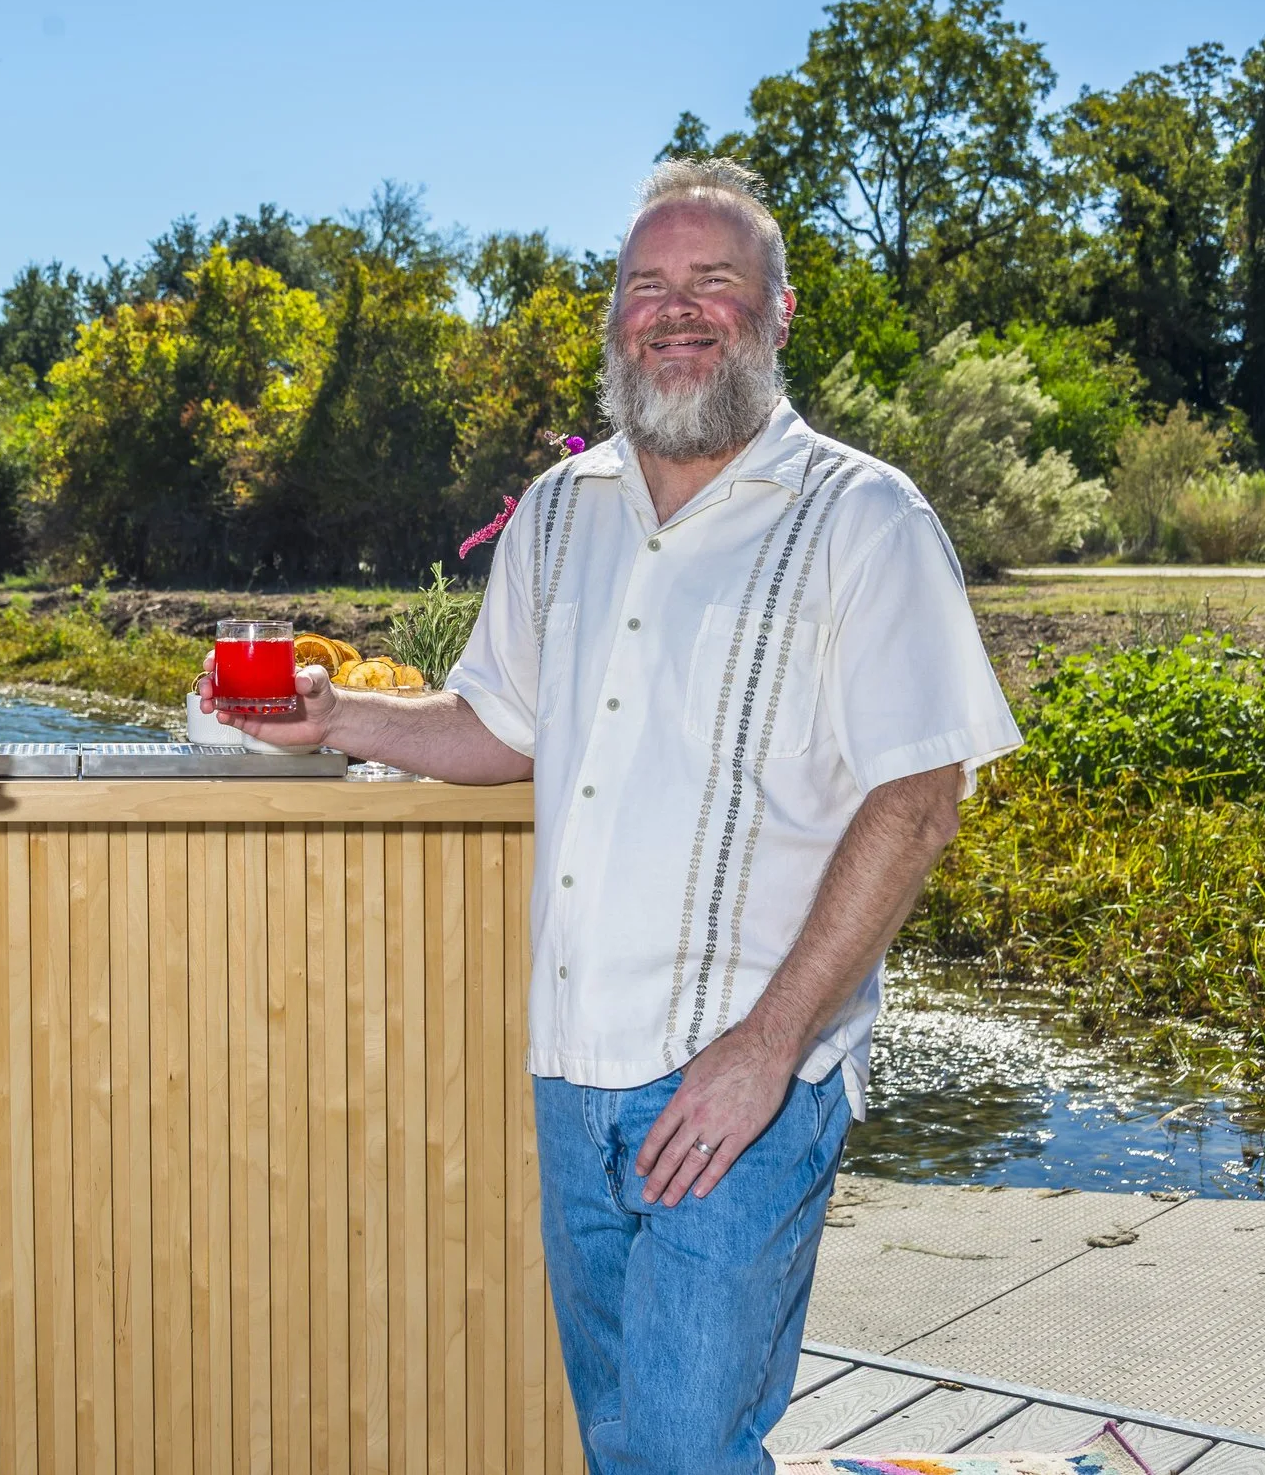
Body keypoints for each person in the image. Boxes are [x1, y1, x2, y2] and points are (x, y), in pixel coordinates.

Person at [209, 160, 1019, 1473]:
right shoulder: (558, 514)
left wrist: (765, 1049)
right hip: (571, 1070)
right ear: (615, 316)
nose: (677, 311)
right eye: (650, 285)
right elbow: (502, 728)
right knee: (629, 1442)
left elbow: (920, 797)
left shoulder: (866, 518)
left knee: (686, 1456)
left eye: (715, 283)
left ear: (779, 311)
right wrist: (342, 720)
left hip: (745, 1073)